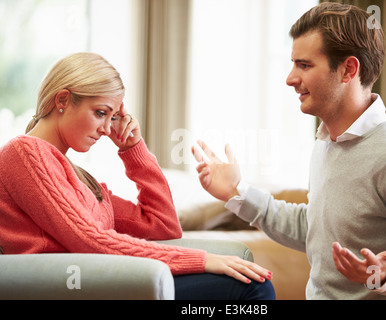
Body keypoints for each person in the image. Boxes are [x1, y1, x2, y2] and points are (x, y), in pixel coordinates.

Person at [191, 3, 386, 300]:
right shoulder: (326, 141)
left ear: (348, 69)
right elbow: (315, 228)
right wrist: (237, 192)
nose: (290, 78)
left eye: (304, 65)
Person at [0, 52, 275, 300]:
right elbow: (89, 240)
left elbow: (163, 227)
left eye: (113, 118)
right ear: (62, 100)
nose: (107, 129)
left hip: (102, 281)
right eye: (100, 113)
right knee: (250, 287)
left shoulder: (80, 177)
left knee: (252, 283)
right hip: (73, 286)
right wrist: (201, 260)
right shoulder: (25, 153)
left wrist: (133, 149)